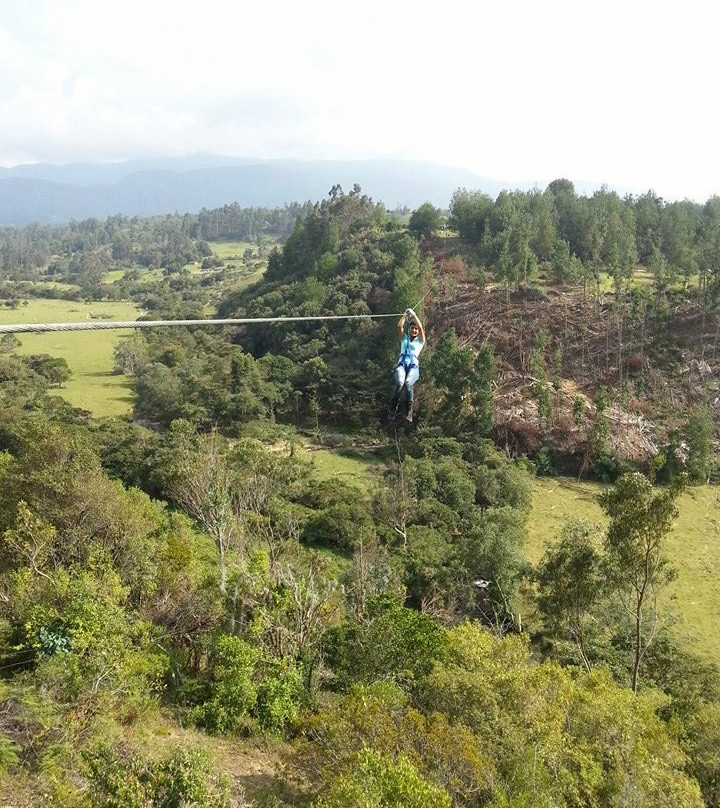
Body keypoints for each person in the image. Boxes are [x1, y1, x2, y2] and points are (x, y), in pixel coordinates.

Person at [391, 307, 425, 422]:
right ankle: (392, 408)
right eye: (412, 328)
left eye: (415, 329)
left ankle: (409, 411)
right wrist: (405, 316)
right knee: (400, 383)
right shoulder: (404, 339)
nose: (414, 330)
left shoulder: (420, 341)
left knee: (408, 382)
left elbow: (420, 327)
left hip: (413, 366)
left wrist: (414, 315)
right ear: (409, 329)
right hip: (401, 364)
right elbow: (399, 326)